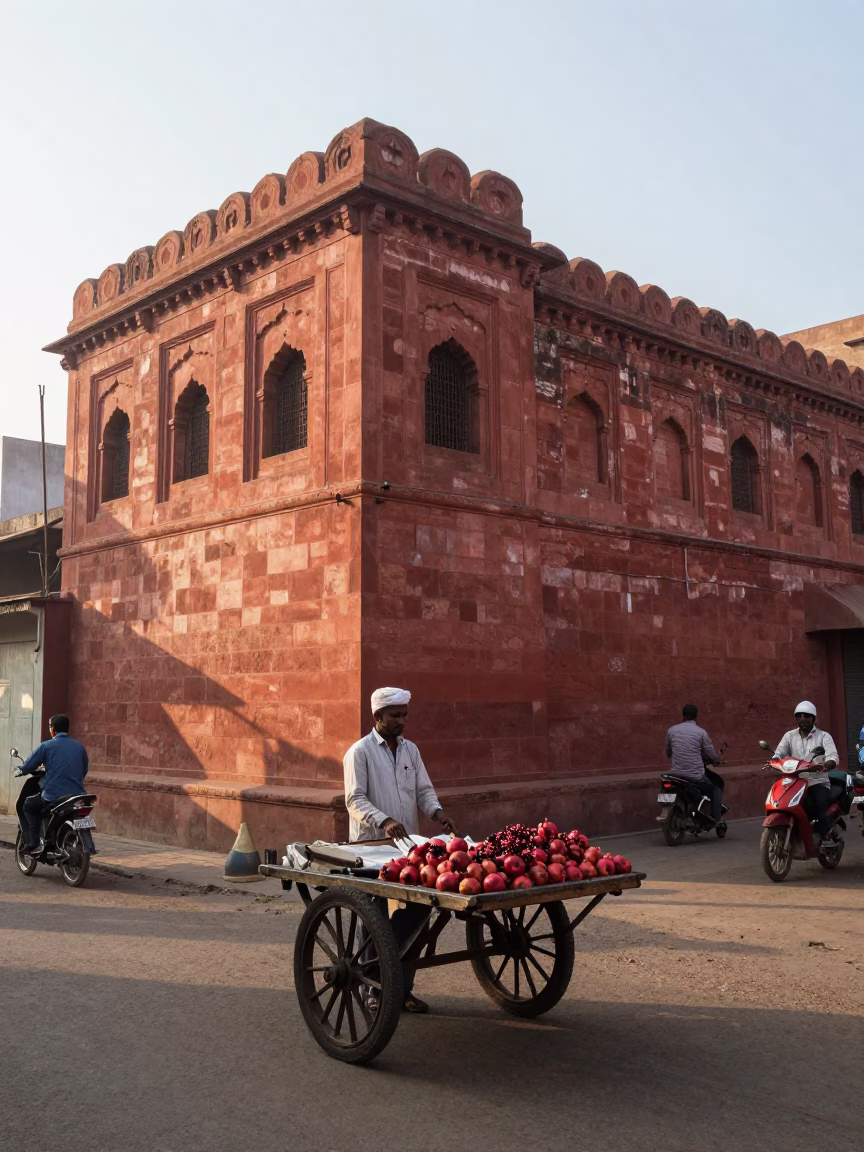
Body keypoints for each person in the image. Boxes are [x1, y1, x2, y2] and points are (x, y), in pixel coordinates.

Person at [344, 686, 457, 1014]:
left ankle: (402, 988)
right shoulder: (359, 752)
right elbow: (354, 799)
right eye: (395, 715)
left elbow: (424, 790)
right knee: (373, 918)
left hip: (408, 851)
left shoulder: (411, 752)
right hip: (371, 848)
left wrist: (437, 812)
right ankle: (376, 992)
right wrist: (384, 820)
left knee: (419, 912)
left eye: (404, 715)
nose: (401, 721)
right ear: (378, 717)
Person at [18, 714, 89, 853]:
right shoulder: (79, 747)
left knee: (29, 805)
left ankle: (33, 842)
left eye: (50, 727)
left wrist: (21, 770)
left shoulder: (46, 746)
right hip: (77, 795)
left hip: (53, 795)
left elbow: (29, 765)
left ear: (53, 729)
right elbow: (84, 770)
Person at [771, 701, 838, 849]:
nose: (803, 719)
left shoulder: (823, 736)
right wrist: (775, 760)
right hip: (795, 780)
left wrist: (827, 764)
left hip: (817, 780)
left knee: (821, 803)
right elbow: (779, 752)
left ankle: (824, 836)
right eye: (799, 716)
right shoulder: (789, 736)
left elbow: (833, 756)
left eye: (807, 716)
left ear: (814, 718)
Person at [665, 704, 725, 824]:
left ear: (682, 715)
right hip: (695, 775)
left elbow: (669, 752)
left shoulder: (671, 730)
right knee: (715, 788)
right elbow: (711, 754)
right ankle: (717, 818)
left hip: (675, 773)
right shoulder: (701, 733)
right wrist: (716, 761)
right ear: (696, 716)